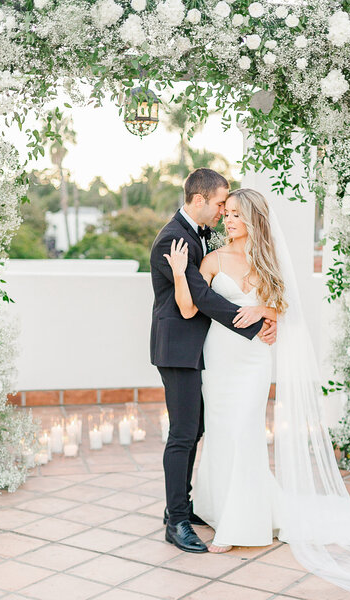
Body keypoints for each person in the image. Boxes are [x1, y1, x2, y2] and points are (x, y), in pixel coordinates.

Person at [164, 186, 350, 600]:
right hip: (219, 359)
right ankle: (218, 508)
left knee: (245, 432)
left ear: (253, 219)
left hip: (253, 360)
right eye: (227, 213)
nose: (229, 221)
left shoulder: (268, 261)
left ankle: (239, 524)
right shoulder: (213, 259)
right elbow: (187, 308)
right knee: (220, 433)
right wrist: (181, 272)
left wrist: (264, 311)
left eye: (236, 214)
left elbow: (287, 308)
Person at [150, 169, 277, 554]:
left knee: (198, 428)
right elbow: (200, 301)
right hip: (180, 350)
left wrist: (267, 312)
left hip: (203, 350)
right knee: (184, 434)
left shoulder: (198, 235)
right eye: (222, 203)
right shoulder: (173, 240)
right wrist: (255, 325)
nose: (224, 212)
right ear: (200, 199)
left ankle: (187, 505)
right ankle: (176, 520)